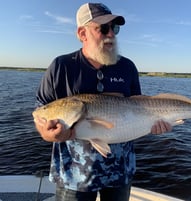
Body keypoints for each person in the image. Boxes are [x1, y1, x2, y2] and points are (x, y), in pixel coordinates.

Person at [34, 2, 172, 201]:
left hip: (120, 173)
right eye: (104, 28)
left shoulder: (128, 67)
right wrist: (49, 135)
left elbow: (139, 108)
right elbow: (41, 112)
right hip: (75, 177)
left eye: (114, 28)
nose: (111, 34)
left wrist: (156, 124)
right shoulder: (61, 67)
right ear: (82, 33)